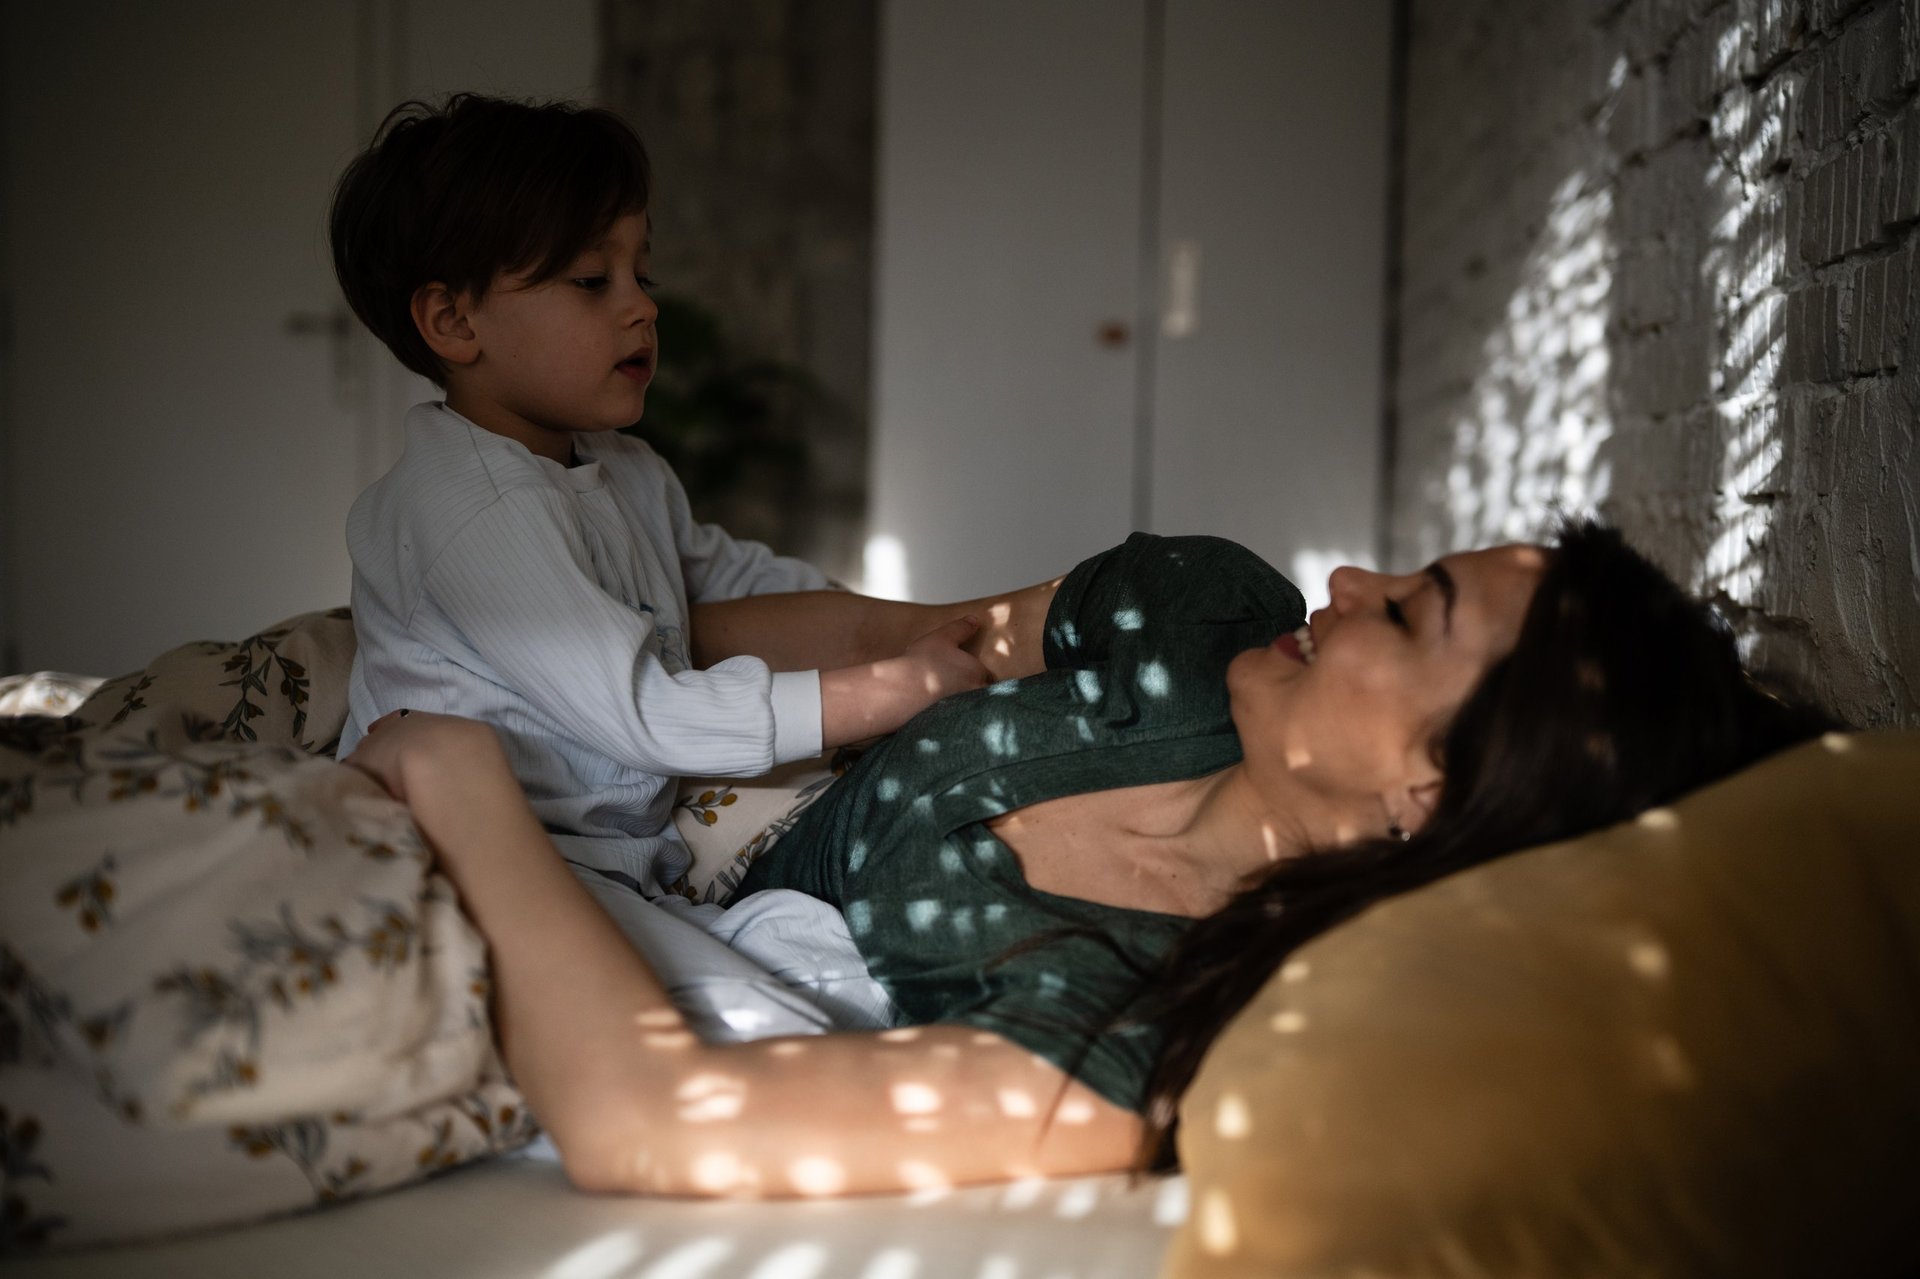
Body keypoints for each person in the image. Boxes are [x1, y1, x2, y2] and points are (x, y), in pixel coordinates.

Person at [342, 523, 1832, 1196]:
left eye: (1409, 609)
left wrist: (463, 778)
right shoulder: (1196, 616)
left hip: (523, 842)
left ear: (1432, 790)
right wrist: (575, 661)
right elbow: (882, 636)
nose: (1350, 578)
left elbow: (662, 1120)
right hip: (664, 775)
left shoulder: (1144, 1032)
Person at [326, 95, 1027, 905]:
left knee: (817, 948)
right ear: (453, 321)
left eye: (641, 272)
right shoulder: (465, 509)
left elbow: (728, 577)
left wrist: (872, 627)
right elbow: (644, 712)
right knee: (772, 1000)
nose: (643, 305)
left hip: (625, 863)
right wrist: (883, 692)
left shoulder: (622, 468)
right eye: (593, 280)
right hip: (496, 872)